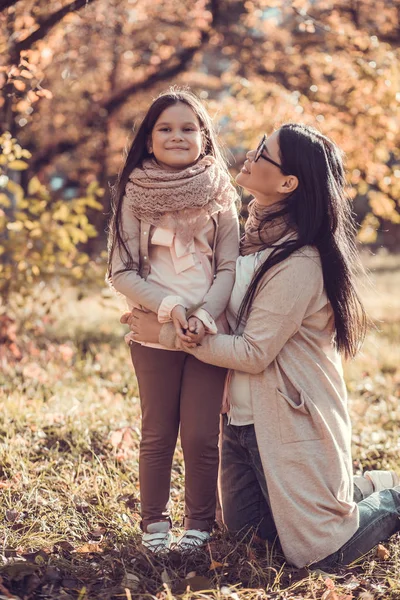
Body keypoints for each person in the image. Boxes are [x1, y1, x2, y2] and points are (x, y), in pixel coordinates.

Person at [125, 123, 400, 569]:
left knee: (319, 554)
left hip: (290, 422)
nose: (249, 156)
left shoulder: (301, 259)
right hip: (238, 422)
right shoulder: (248, 236)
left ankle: (388, 496)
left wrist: (167, 336)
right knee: (251, 540)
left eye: (263, 153)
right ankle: (344, 489)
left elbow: (253, 352)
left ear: (288, 183)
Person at [107, 89, 240, 552]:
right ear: (148, 140)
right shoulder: (133, 193)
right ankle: (155, 526)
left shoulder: (222, 192)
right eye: (165, 128)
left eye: (188, 128)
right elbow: (120, 270)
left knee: (202, 435)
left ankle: (199, 525)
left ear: (204, 137)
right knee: (158, 431)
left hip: (208, 330)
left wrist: (204, 313)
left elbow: (228, 267)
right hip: (153, 330)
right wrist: (170, 308)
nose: (177, 135)